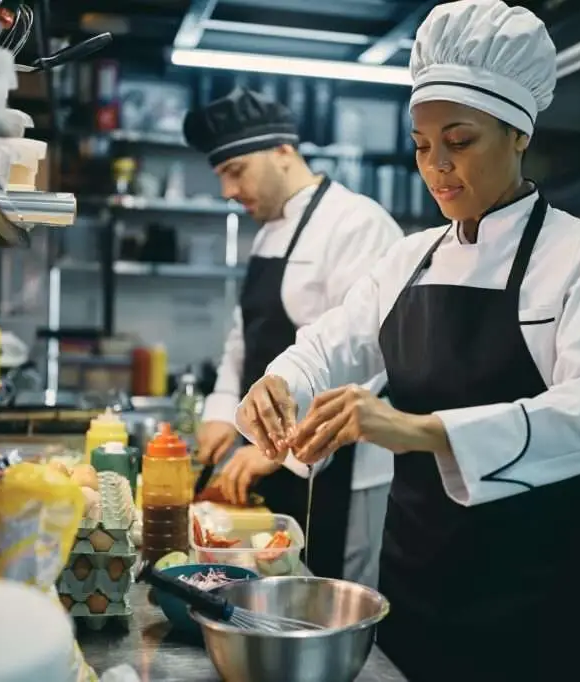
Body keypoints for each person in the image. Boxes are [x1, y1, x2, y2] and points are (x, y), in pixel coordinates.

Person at [234, 2, 580, 680]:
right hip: (418, 574)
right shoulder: (410, 257)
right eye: (424, 146)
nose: (437, 167)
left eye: (460, 141)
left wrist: (421, 430)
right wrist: (279, 384)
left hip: (536, 587)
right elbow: (330, 342)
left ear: (517, 134)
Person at [183, 87, 403, 586]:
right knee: (274, 589)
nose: (227, 192)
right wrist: (221, 414)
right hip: (269, 458)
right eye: (221, 176)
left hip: (343, 467)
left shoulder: (357, 224)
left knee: (326, 594)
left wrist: (279, 450)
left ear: (283, 151)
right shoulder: (266, 234)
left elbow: (370, 364)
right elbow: (244, 339)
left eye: (235, 171)